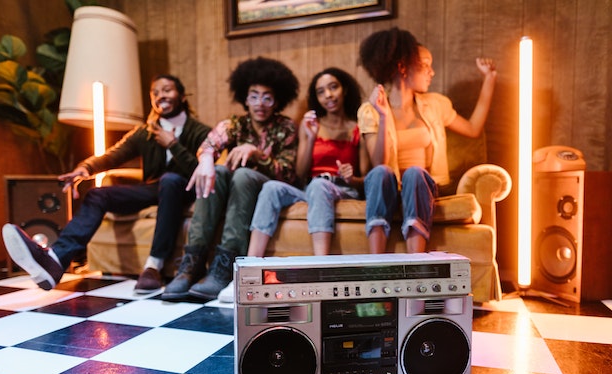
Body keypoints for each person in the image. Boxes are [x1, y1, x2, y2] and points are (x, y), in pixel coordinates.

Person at [2, 74, 211, 293]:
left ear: (181, 95)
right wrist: (84, 169)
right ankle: (55, 260)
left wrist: (174, 145)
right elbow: (114, 155)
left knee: (170, 180)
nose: (161, 96)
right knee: (97, 194)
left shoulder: (200, 132)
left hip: (188, 189)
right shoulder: (145, 132)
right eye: (155, 93)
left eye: (167, 90)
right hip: (154, 189)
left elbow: (201, 171)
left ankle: (153, 267)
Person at [161, 56, 299, 302]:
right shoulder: (236, 124)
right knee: (221, 170)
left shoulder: (286, 127)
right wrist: (206, 161)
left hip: (265, 186)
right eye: (254, 96)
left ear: (277, 101)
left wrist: (255, 152)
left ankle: (224, 267)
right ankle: (191, 265)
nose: (260, 103)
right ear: (245, 99)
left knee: (243, 174)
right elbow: (210, 143)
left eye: (267, 97)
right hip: (235, 187)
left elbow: (287, 173)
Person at [358, 27, 497, 254]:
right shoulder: (370, 110)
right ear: (402, 67)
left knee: (414, 172)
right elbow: (379, 163)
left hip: (422, 186)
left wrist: (490, 79)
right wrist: (383, 116)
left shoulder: (435, 105)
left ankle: (417, 259)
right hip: (388, 190)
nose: (431, 72)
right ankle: (377, 262)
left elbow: (472, 129)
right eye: (425, 66)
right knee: (380, 173)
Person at [247, 67, 368, 258]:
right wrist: (310, 138)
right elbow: (300, 174)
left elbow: (366, 179)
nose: (328, 95)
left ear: (344, 89)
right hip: (311, 189)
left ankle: (320, 264)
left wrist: (352, 178)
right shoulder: (312, 126)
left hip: (343, 189)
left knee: (320, 186)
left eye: (333, 87)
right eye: (321, 92)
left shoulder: (358, 128)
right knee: (271, 188)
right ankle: (250, 264)